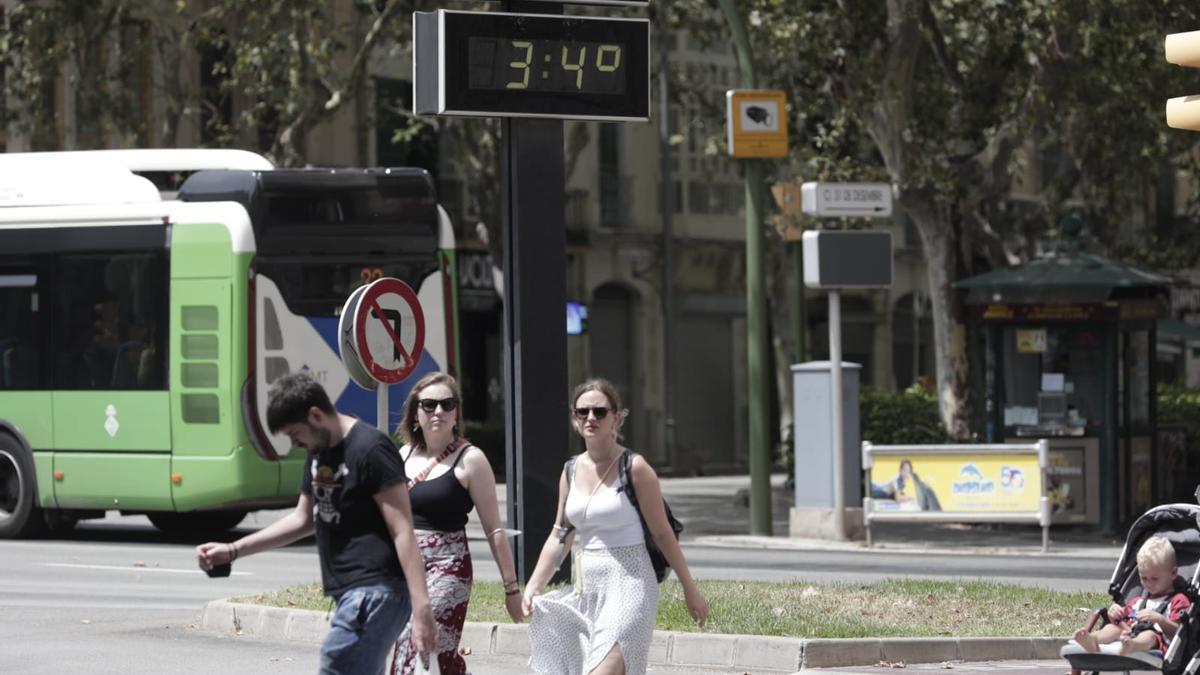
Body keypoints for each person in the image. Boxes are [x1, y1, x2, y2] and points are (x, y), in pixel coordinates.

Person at [195, 372, 435, 675]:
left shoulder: (371, 450)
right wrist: (231, 550)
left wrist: (421, 605)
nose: (295, 443)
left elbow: (402, 530)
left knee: (337, 662)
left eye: (295, 433)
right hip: (352, 593)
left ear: (316, 415)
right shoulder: (317, 453)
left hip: (378, 591)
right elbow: (302, 518)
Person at [522, 378, 709, 675]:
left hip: (631, 583)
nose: (591, 418)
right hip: (589, 588)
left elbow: (662, 533)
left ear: (616, 418)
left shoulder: (634, 468)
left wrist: (689, 588)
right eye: (583, 412)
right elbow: (561, 533)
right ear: (574, 418)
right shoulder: (570, 471)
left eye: (600, 411)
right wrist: (534, 585)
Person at [391, 372, 523, 675]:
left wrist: (511, 589)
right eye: (429, 404)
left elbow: (494, 530)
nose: (438, 411)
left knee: (424, 640)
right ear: (415, 413)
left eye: (447, 404)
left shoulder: (471, 459)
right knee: (418, 651)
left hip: (448, 566)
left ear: (456, 413)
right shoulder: (403, 455)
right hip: (407, 567)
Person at [1070, 536, 1190, 667]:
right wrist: (1114, 614)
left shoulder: (1178, 600)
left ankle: (1132, 646)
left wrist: (1160, 619)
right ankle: (1092, 640)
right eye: (1144, 578)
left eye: (1154, 579)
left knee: (1149, 635)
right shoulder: (1138, 602)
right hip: (1129, 634)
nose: (1148, 584)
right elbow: (1121, 622)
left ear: (1173, 573)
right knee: (1112, 628)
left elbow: (1180, 631)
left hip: (1156, 641)